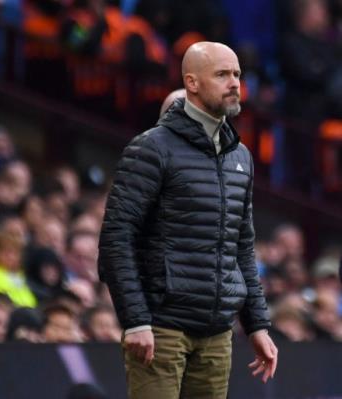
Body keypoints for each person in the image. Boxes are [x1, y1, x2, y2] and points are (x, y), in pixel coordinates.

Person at [98, 41, 277, 399]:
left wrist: (256, 324)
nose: (235, 83)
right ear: (192, 83)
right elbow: (117, 237)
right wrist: (135, 319)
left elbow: (241, 246)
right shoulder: (151, 148)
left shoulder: (240, 155)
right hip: (162, 328)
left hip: (216, 332)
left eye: (237, 74)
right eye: (223, 74)